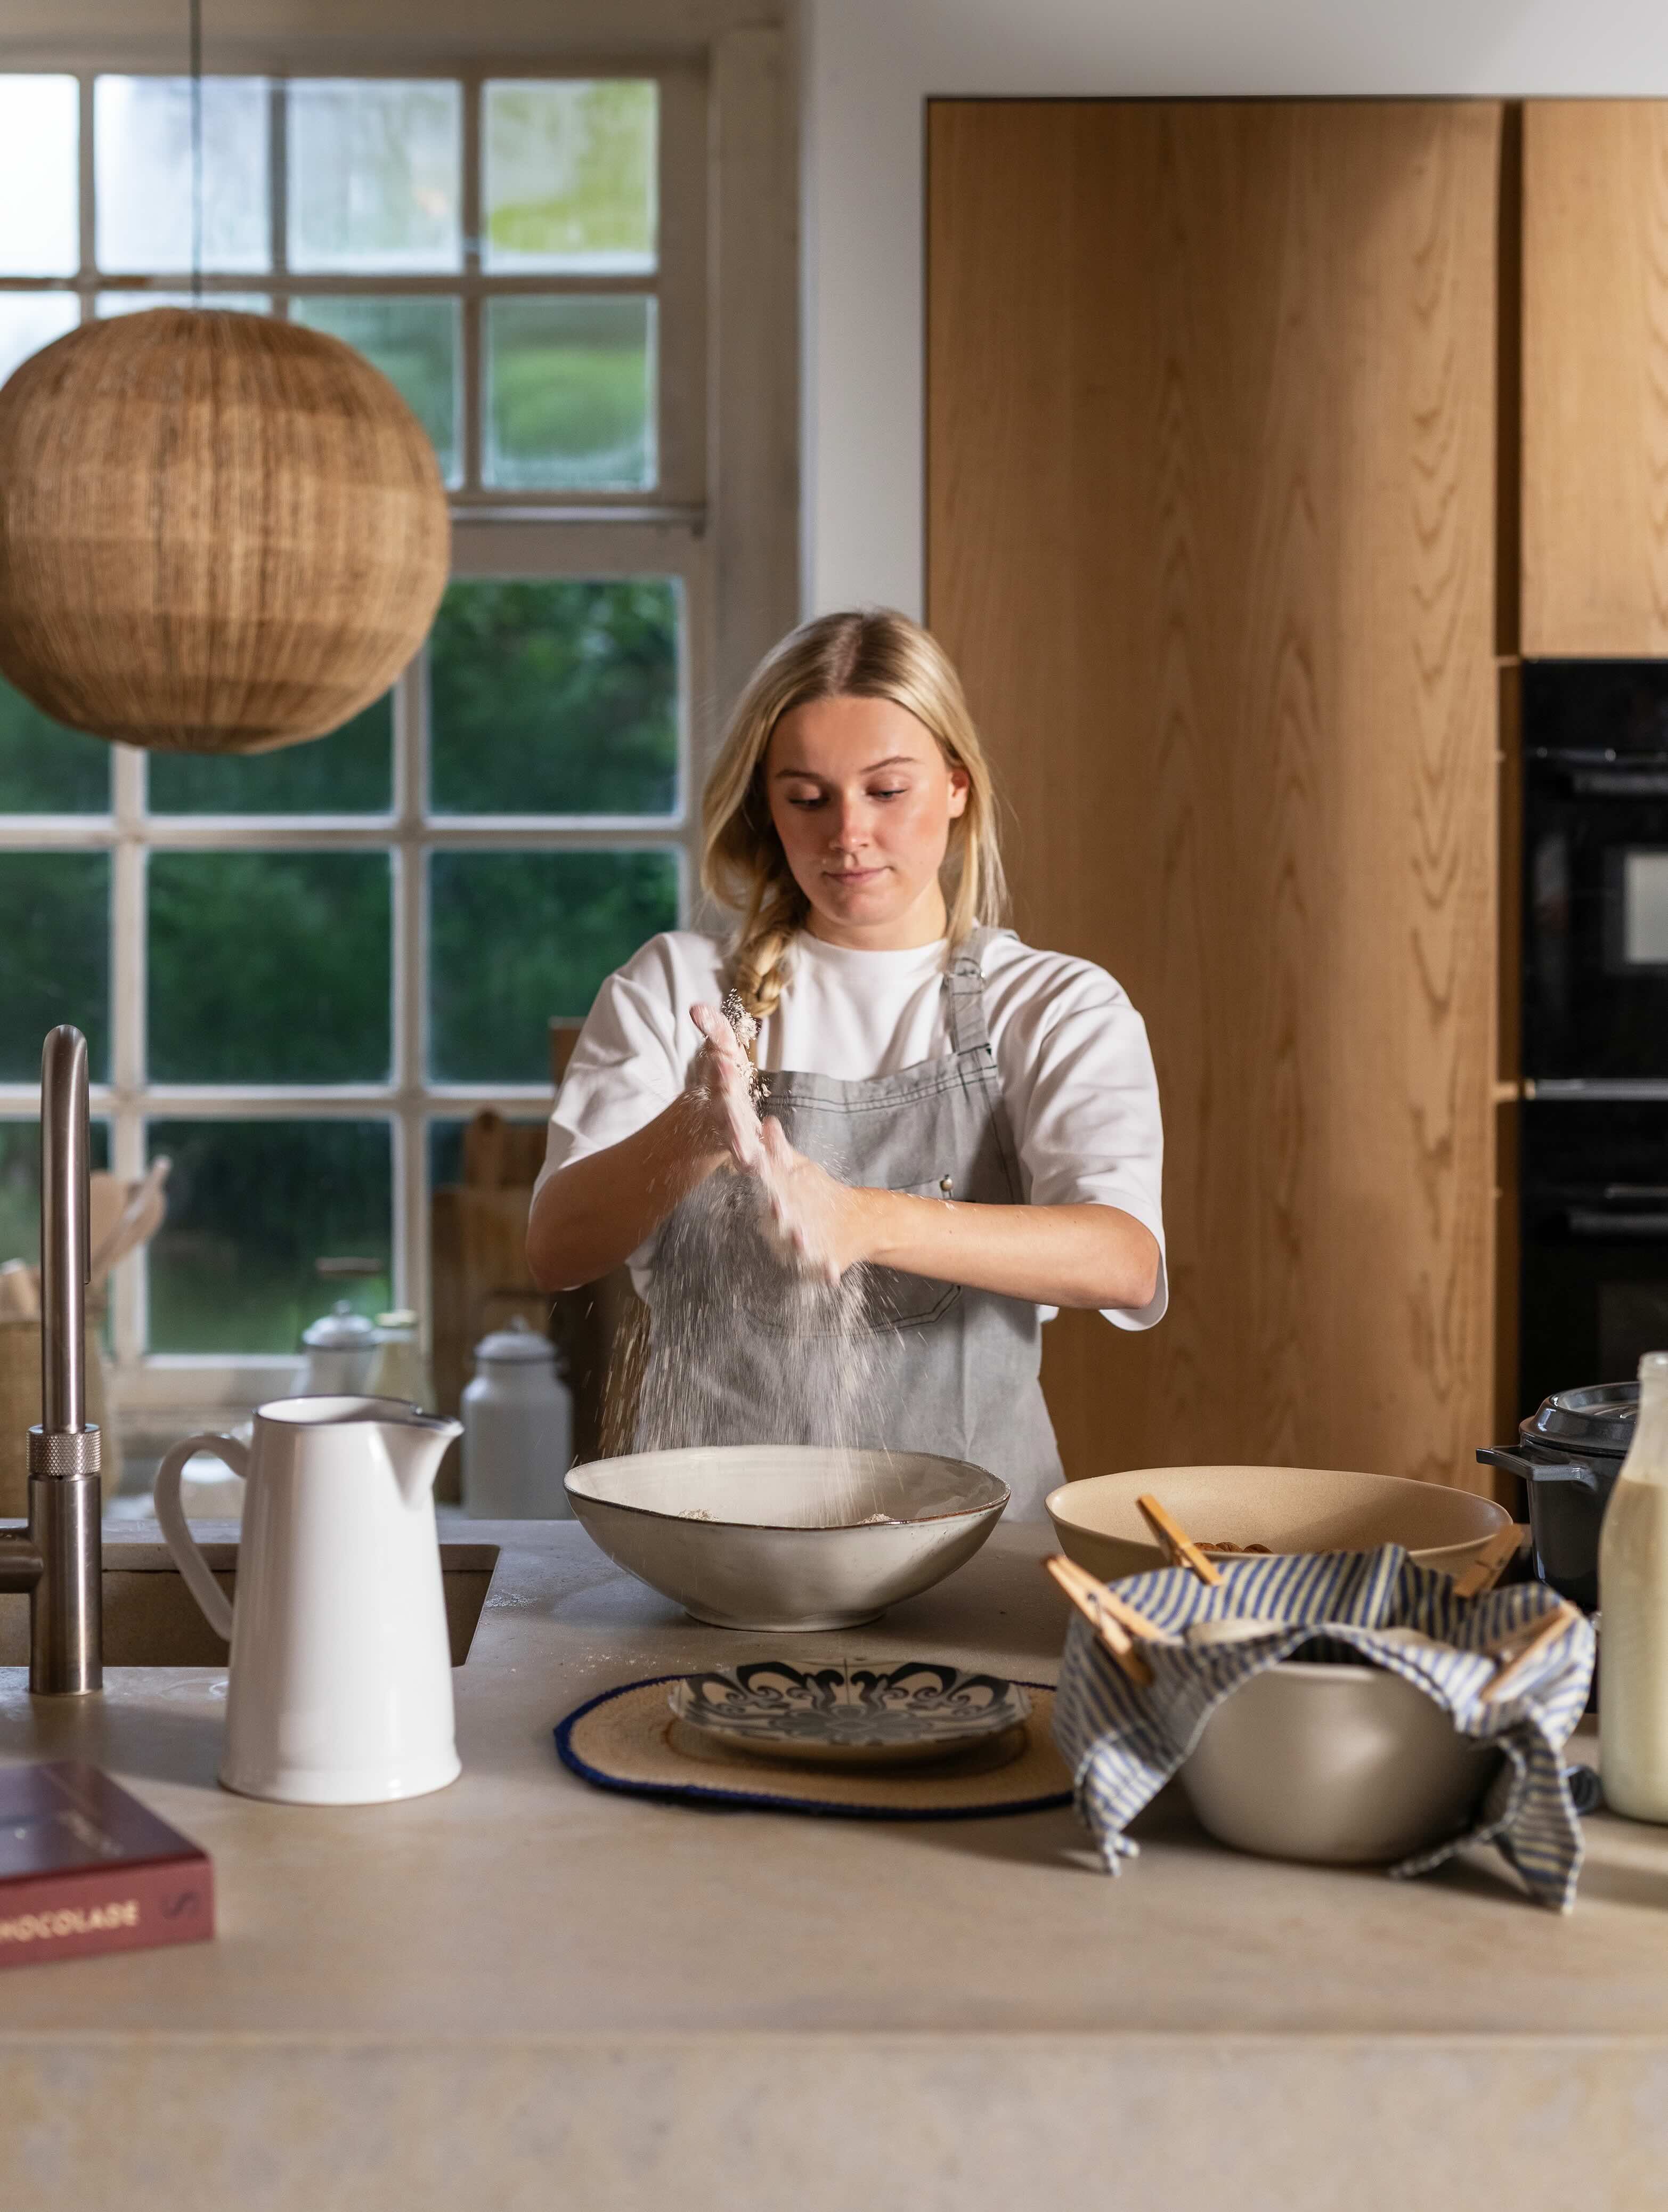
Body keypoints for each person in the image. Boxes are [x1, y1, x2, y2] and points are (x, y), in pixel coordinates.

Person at [526, 609, 1165, 1517]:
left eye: (887, 790)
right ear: (765, 805)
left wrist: (866, 1220)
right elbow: (556, 1249)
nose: (848, 833)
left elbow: (1124, 1258)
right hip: (713, 1545)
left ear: (957, 786)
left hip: (983, 1553)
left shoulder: (1053, 1004)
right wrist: (694, 1129)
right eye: (808, 798)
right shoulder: (675, 987)